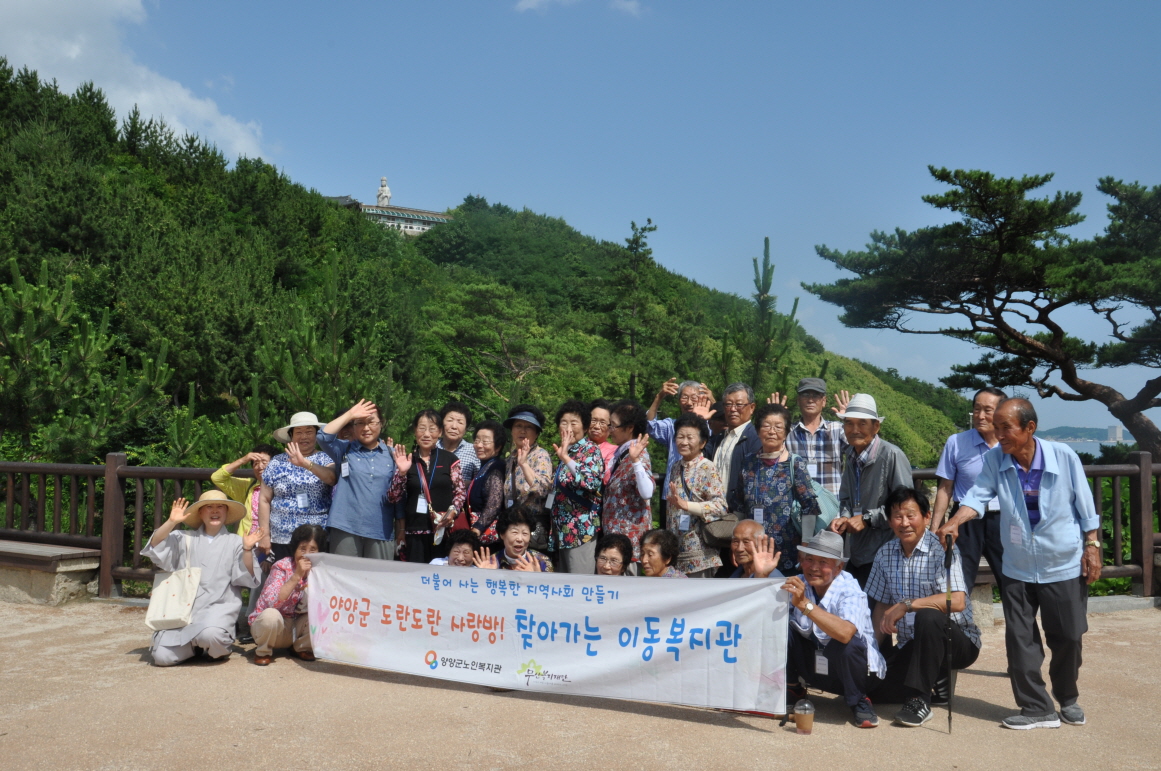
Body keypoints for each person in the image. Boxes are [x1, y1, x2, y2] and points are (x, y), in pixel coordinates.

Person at [938, 398, 1101, 730]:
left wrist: (1092, 546)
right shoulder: (996, 458)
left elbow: (1085, 505)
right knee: (1020, 639)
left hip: (1062, 562)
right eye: (996, 427)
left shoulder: (1063, 456)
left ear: (1030, 427)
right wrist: (955, 521)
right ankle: (1036, 707)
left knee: (1069, 636)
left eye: (1005, 427)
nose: (998, 434)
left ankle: (1067, 697)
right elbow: (977, 496)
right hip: (1018, 564)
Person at [867, 488, 981, 727]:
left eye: (911, 515)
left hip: (957, 642)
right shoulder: (884, 554)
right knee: (871, 691)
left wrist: (908, 605)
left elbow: (957, 601)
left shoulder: (943, 548)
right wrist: (871, 653)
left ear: (927, 517)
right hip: (912, 646)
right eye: (897, 517)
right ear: (889, 521)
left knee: (928, 616)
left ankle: (919, 701)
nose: (904, 523)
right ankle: (937, 678)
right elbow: (881, 606)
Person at [143, 491, 263, 666]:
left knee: (211, 636)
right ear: (200, 513)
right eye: (209, 507)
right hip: (183, 611)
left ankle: (214, 647)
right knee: (162, 657)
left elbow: (247, 577)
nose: (215, 511)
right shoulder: (183, 538)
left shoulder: (236, 541)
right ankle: (195, 648)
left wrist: (247, 550)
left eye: (220, 506)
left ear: (227, 512)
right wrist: (171, 522)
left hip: (217, 609)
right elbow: (155, 546)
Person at [784, 530, 886, 728]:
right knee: (782, 628)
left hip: (853, 674)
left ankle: (859, 700)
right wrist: (762, 573)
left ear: (839, 568)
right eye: (809, 559)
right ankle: (793, 689)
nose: (814, 567)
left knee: (849, 644)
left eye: (823, 562)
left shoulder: (850, 590)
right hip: (815, 670)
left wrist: (805, 605)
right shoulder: (798, 582)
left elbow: (845, 633)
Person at [829, 394, 913, 588]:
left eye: (862, 424)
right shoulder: (850, 455)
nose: (855, 430)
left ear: (876, 427)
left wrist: (867, 519)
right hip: (858, 552)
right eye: (849, 423)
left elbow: (906, 506)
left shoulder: (891, 455)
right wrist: (845, 518)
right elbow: (846, 498)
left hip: (887, 553)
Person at [933, 386, 1008, 590]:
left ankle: (1019, 614)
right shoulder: (957, 442)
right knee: (958, 582)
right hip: (964, 522)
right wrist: (934, 528)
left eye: (987, 410)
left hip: (1003, 519)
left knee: (1011, 582)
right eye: (976, 409)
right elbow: (945, 488)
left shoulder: (1010, 444)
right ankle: (958, 613)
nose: (980, 416)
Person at [734, 403, 823, 575]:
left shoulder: (794, 463)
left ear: (786, 432)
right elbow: (739, 504)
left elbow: (809, 506)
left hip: (786, 550)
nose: (772, 431)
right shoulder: (749, 461)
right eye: (766, 426)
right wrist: (738, 544)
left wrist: (805, 544)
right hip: (752, 550)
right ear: (758, 430)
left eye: (778, 427)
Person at [318, 400, 401, 560]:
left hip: (380, 530)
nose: (366, 428)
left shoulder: (393, 454)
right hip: (345, 527)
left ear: (381, 423)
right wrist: (350, 414)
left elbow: (399, 496)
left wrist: (401, 529)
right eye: (360, 423)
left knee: (377, 575)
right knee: (343, 574)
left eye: (371, 422)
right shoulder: (344, 449)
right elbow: (322, 436)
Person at [210, 443, 277, 634]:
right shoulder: (248, 487)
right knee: (227, 575)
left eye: (264, 462)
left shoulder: (281, 487)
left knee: (260, 576)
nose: (259, 466)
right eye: (255, 463)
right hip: (244, 543)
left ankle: (252, 622)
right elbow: (217, 477)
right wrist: (244, 459)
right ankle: (226, 619)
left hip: (268, 544)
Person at [389, 409, 467, 565]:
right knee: (415, 575)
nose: (426, 434)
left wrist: (452, 512)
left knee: (441, 574)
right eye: (422, 428)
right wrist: (401, 473)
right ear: (415, 431)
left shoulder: (449, 459)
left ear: (440, 432)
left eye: (432, 429)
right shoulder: (408, 460)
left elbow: (460, 493)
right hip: (414, 531)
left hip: (442, 531)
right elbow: (393, 497)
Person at [260, 412, 336, 562]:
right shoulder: (276, 462)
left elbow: (332, 478)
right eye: (299, 432)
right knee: (284, 574)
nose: (304, 436)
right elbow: (264, 499)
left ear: (317, 434)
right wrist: (264, 535)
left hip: (316, 537)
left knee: (315, 576)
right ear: (291, 436)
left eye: (309, 431)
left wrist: (305, 463)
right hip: (282, 537)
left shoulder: (325, 458)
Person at [249, 523, 326, 666]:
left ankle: (301, 647)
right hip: (275, 627)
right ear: (294, 549)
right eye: (302, 548)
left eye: (312, 550)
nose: (306, 554)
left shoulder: (321, 572)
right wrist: (297, 575)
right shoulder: (281, 566)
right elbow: (272, 602)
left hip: (297, 627)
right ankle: (263, 651)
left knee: (323, 614)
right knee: (270, 615)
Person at [665, 413, 728, 577]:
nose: (684, 442)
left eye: (689, 437)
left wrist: (687, 506)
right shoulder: (676, 467)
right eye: (680, 437)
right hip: (676, 552)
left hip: (701, 554)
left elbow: (720, 507)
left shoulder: (707, 467)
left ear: (703, 443)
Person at [548, 400, 605, 574]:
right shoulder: (566, 451)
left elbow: (591, 482)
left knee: (580, 582)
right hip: (561, 530)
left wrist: (566, 458)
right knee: (564, 584)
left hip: (581, 530)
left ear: (585, 427)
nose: (568, 428)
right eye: (564, 423)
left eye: (574, 423)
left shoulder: (590, 450)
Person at [774, 378, 851, 497]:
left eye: (816, 395)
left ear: (824, 401)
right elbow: (769, 457)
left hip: (832, 504)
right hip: (798, 504)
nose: (810, 400)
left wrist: (850, 421)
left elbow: (860, 450)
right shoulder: (788, 432)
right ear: (798, 400)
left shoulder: (837, 429)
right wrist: (774, 420)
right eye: (805, 395)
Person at [601, 400, 654, 569]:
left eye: (613, 425)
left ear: (630, 427)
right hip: (615, 542)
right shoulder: (620, 453)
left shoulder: (638, 454)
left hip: (629, 545)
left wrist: (636, 461)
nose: (610, 430)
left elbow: (647, 492)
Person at [646, 378, 714, 497]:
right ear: (678, 401)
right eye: (684, 397)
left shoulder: (710, 426)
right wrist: (659, 397)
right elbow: (650, 426)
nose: (689, 402)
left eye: (694, 398)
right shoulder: (672, 426)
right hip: (672, 494)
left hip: (699, 494)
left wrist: (713, 401)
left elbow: (725, 425)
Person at [502, 404, 554, 551]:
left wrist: (524, 465)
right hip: (512, 527)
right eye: (518, 426)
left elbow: (543, 489)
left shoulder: (540, 455)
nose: (523, 431)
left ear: (536, 433)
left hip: (532, 530)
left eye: (529, 427)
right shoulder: (510, 459)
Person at [706, 382, 761, 510]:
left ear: (752, 407)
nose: (732, 409)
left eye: (739, 404)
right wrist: (698, 420)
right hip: (713, 511)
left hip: (738, 513)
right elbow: (695, 454)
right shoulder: (718, 438)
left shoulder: (755, 439)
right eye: (728, 404)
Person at [466, 419, 507, 550]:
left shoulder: (496, 468)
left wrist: (477, 529)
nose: (479, 445)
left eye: (485, 442)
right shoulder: (485, 466)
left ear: (498, 446)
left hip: (486, 539)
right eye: (477, 440)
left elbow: (494, 504)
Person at [474, 504, 553, 572]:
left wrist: (537, 578)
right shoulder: (490, 563)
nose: (520, 539)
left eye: (525, 533)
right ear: (502, 534)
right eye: (515, 532)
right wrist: (486, 575)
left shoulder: (542, 561)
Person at [438, 402, 480, 482]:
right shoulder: (432, 448)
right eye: (450, 420)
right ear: (441, 423)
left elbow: (479, 482)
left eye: (460, 422)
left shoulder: (474, 451)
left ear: (466, 428)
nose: (454, 426)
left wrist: (466, 484)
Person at [588, 398, 619, 483]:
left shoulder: (615, 452)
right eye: (593, 420)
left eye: (602, 423)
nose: (597, 426)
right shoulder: (576, 446)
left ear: (610, 426)